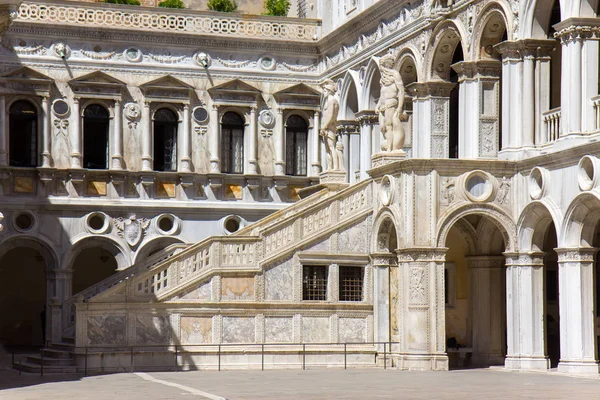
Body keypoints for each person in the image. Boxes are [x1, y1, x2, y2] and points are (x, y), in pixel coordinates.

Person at [376, 53, 407, 152]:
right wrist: (378, 105)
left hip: (391, 103)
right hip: (382, 105)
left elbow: (401, 91)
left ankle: (390, 149)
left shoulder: (395, 74)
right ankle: (389, 144)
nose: (381, 68)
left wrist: (400, 107)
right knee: (382, 127)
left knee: (389, 126)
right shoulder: (383, 78)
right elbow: (382, 93)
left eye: (382, 65)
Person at [320, 79, 342, 171]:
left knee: (331, 147)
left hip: (329, 127)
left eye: (325, 90)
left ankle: (335, 167)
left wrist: (324, 127)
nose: (323, 92)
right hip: (327, 127)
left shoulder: (331, 101)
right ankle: (330, 167)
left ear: (329, 91)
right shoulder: (330, 101)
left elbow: (330, 116)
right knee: (328, 148)